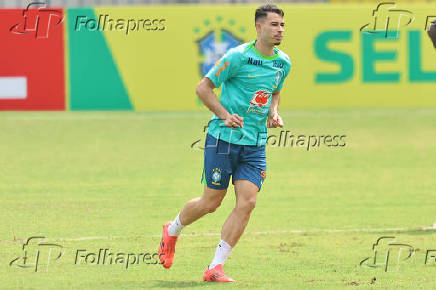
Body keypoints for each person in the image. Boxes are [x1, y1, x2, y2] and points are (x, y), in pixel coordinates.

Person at [158, 4, 292, 282]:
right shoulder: (237, 57)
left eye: (282, 25)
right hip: (223, 140)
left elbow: (274, 90)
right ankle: (172, 230)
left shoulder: (283, 62)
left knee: (248, 202)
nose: (279, 30)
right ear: (258, 26)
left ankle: (215, 267)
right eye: (274, 25)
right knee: (210, 202)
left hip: (255, 145)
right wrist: (224, 115)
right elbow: (202, 88)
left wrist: (273, 112)